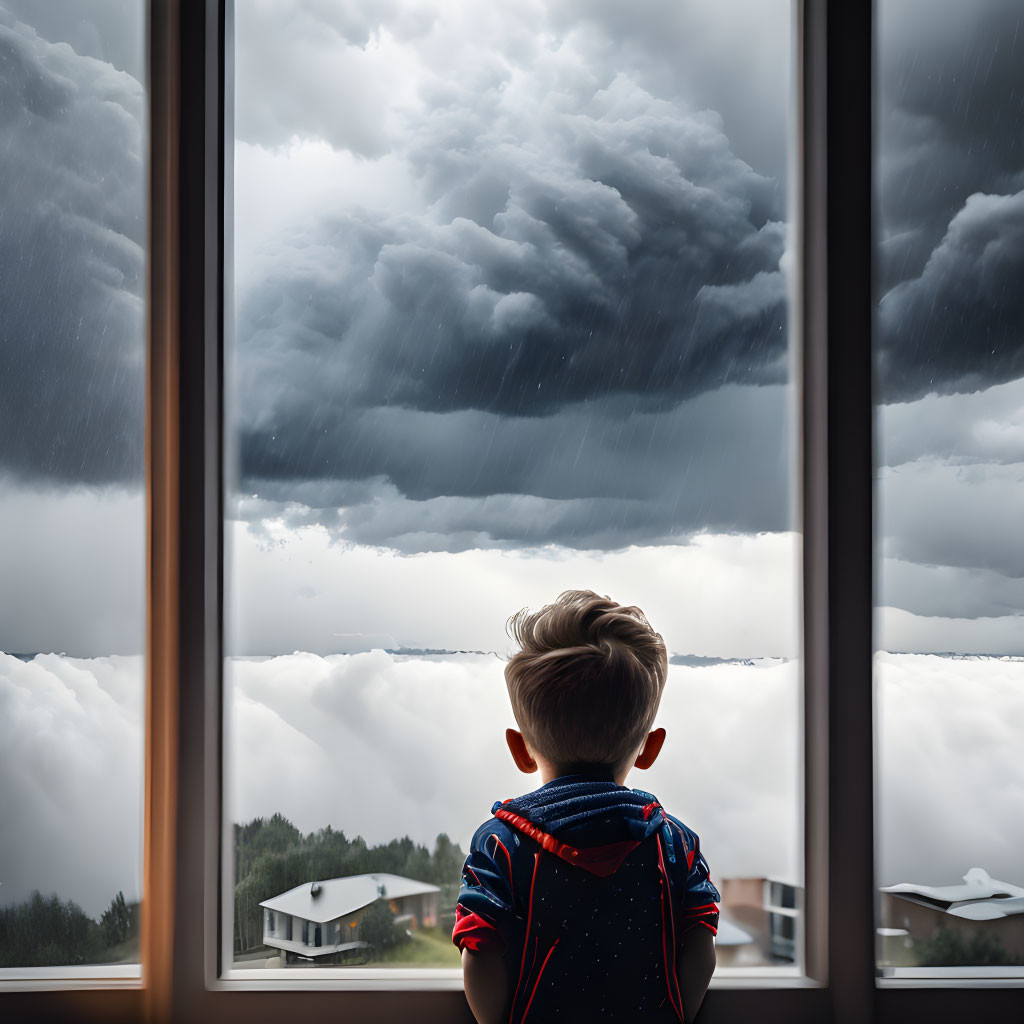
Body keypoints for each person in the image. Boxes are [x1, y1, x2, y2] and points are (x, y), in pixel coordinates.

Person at [452, 590, 719, 1023]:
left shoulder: (501, 844)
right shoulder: (676, 844)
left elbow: (479, 954)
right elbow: (700, 949)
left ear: (520, 750)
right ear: (650, 749)